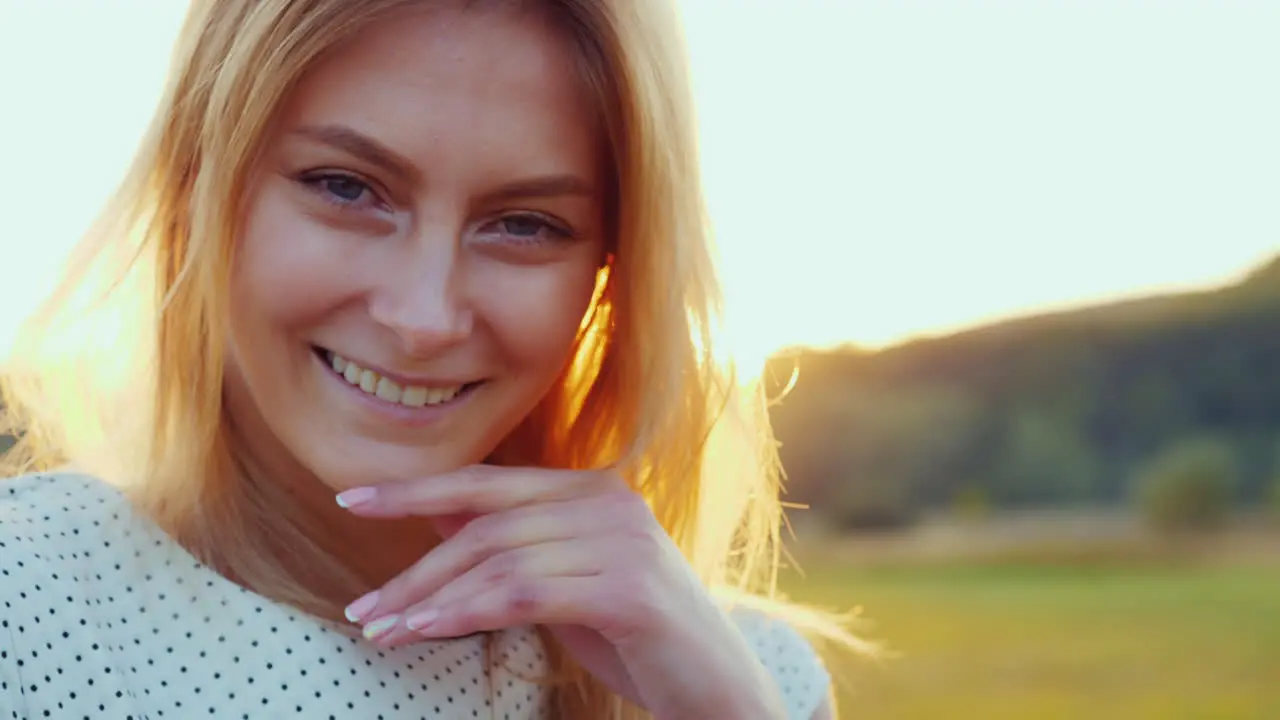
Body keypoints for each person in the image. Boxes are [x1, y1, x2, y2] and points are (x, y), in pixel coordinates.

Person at [0, 1, 863, 718]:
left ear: (612, 271)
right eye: (345, 186)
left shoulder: (747, 676)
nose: (423, 318)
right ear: (199, 184)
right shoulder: (27, 602)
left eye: (525, 224)